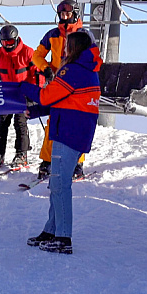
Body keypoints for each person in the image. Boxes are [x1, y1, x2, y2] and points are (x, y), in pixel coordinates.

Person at [19, 31, 102, 254]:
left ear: (73, 48)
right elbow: (63, 99)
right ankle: (52, 230)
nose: (63, 50)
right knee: (57, 183)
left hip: (68, 133)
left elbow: (47, 95)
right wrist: (36, 111)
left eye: (67, 46)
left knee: (59, 185)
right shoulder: (87, 69)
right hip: (75, 131)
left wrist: (22, 86)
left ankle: (63, 237)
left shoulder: (73, 70)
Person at [32, 0, 86, 180]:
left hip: (77, 86)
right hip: (57, 85)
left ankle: (77, 163)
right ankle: (47, 161)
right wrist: (46, 68)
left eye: (68, 14)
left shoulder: (83, 35)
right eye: (62, 14)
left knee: (76, 124)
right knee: (53, 124)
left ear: (75, 14)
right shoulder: (52, 35)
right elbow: (36, 55)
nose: (64, 17)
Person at [0, 25, 36, 169]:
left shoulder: (27, 52)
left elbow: (36, 73)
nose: (7, 46)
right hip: (7, 93)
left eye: (9, 43)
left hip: (23, 93)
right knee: (2, 122)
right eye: (3, 43)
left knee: (20, 122)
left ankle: (21, 153)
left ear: (16, 39)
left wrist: (33, 91)